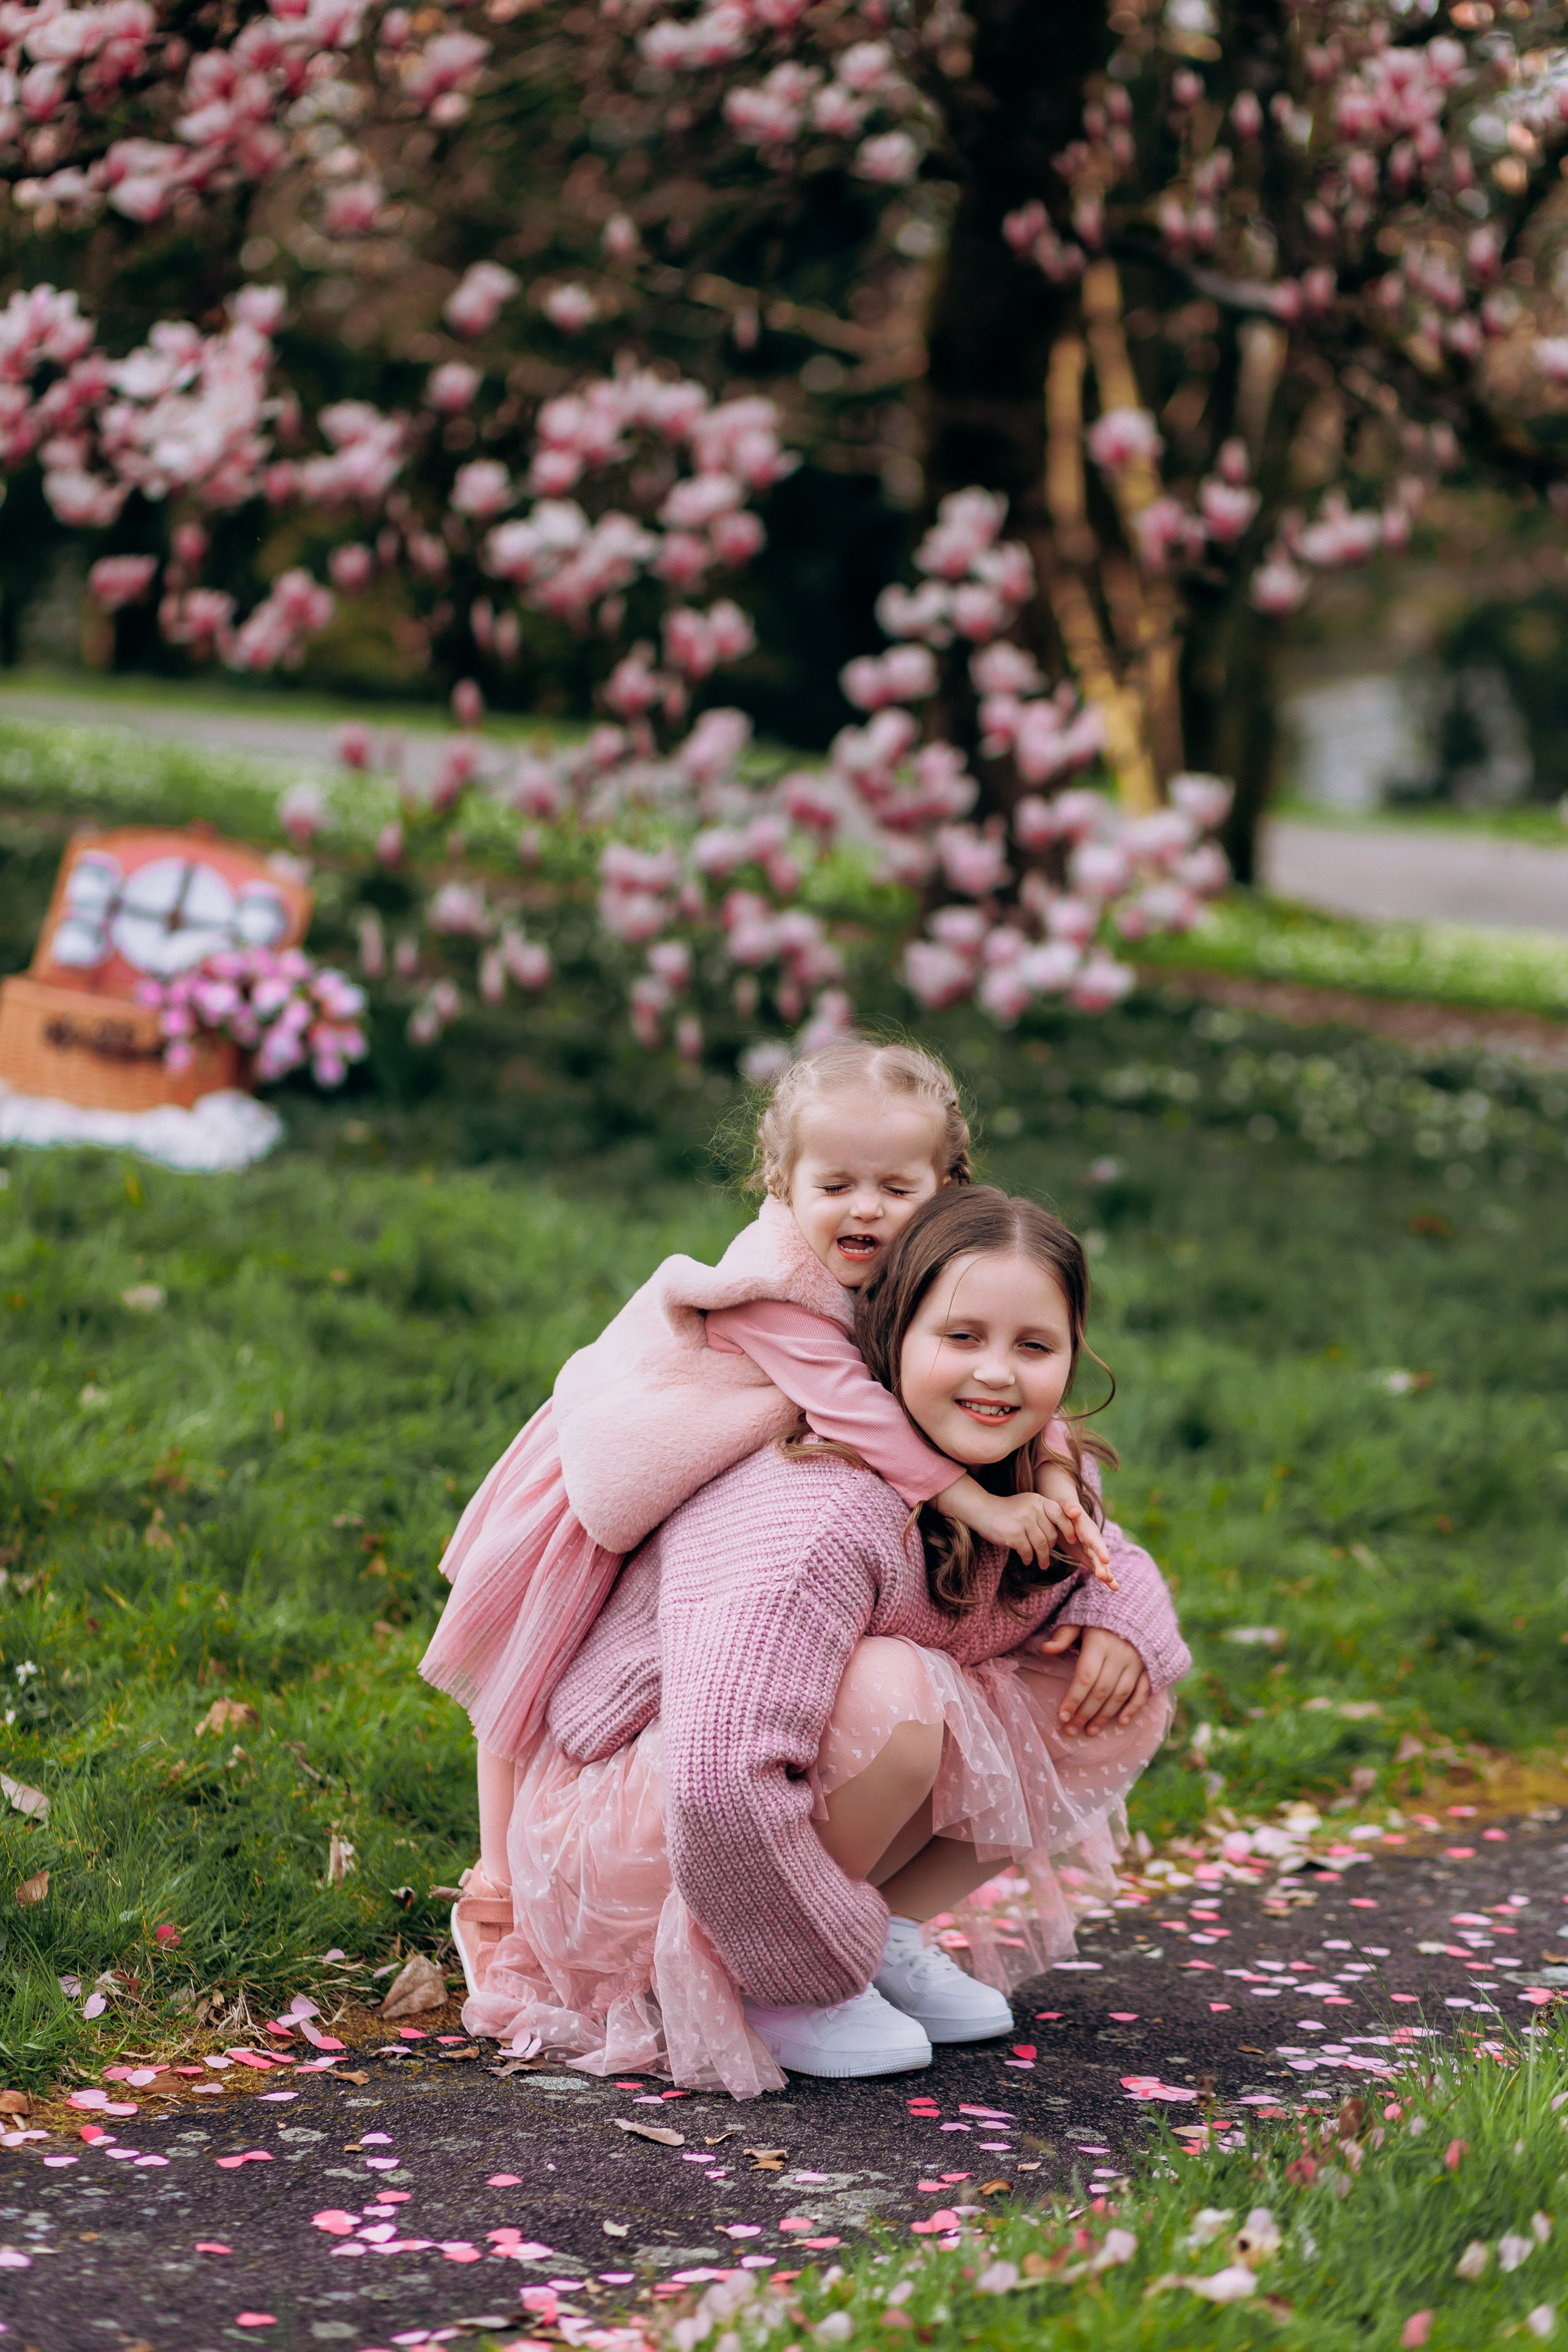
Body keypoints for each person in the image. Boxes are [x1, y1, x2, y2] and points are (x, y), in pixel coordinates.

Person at [461, 1185, 1189, 2095]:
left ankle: (878, 1933)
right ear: (891, 1338)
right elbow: (719, 1776)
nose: (998, 1375)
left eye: (1033, 1346)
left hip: (749, 1799)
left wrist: (1119, 1618)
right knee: (897, 1689)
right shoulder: (817, 1506)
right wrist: (808, 1966)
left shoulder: (1019, 1468)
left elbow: (1101, 1556)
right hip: (642, 1813)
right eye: (961, 1338)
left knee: (1112, 1689)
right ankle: (788, 1986)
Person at [420, 1041, 1113, 1978]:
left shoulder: (936, 1267)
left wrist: (1058, 1483)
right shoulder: (775, 1284)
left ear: (948, 1183)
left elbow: (1029, 1389)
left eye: (895, 1186)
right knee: (528, 1676)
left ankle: (860, 1925)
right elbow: (856, 1409)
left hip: (719, 1461)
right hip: (618, 1461)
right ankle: (496, 1880)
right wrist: (981, 1511)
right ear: (781, 1181)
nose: (864, 1209)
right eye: (835, 1185)